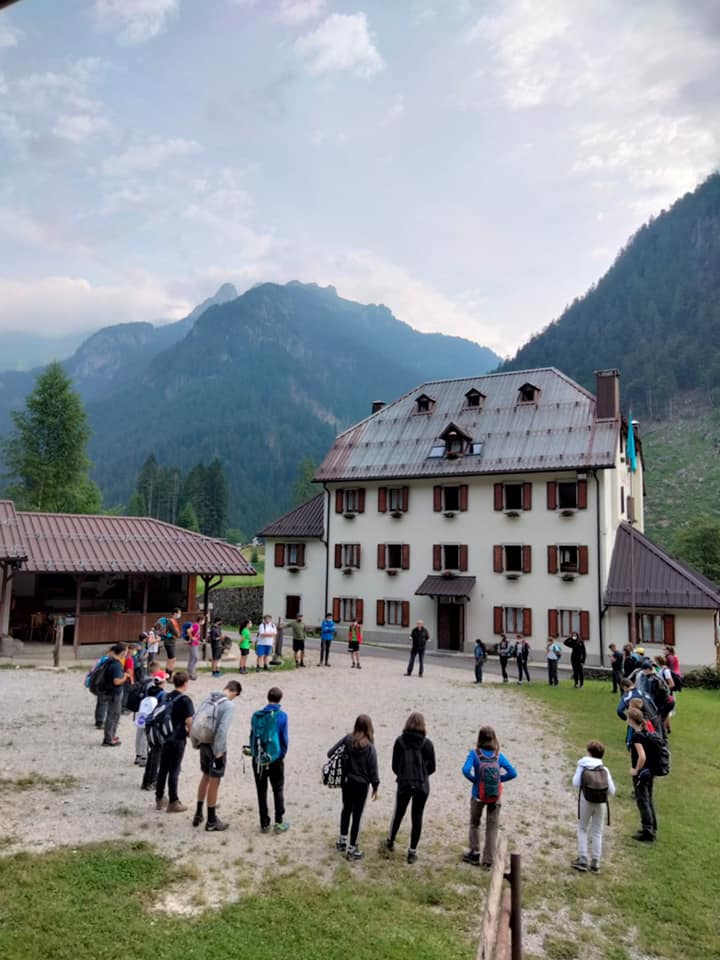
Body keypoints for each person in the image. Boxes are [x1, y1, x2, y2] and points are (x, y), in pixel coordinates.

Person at [462, 726, 517, 867]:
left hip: (478, 795)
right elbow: (513, 773)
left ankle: (474, 854)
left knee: (475, 823)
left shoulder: (474, 754)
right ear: (494, 738)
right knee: (492, 827)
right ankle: (488, 860)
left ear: (479, 738)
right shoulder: (498, 756)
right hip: (494, 796)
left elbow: (465, 770)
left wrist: (475, 780)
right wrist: (499, 779)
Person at [386, 712, 436, 864]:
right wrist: (423, 774)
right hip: (421, 784)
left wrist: (403, 773)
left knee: (399, 812)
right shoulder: (427, 744)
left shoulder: (400, 741)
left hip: (404, 782)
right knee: (417, 816)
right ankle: (412, 852)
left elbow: (394, 765)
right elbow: (432, 767)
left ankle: (390, 840)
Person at [328, 714, 379, 861]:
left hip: (347, 782)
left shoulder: (348, 739)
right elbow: (373, 769)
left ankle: (342, 841)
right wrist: (375, 786)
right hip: (362, 785)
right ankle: (352, 849)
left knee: (346, 810)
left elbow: (330, 753)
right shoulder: (370, 747)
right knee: (357, 815)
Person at [193, 679, 242, 832]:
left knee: (205, 776)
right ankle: (212, 821)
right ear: (235, 692)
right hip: (215, 747)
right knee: (215, 782)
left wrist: (195, 742)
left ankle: (198, 813)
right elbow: (222, 730)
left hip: (203, 742)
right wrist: (219, 752)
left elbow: (195, 718)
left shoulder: (209, 697)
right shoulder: (228, 705)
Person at [571, 740, 616, 873]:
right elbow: (612, 791)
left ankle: (583, 858)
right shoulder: (604, 769)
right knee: (597, 831)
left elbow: (575, 782)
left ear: (589, 753)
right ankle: (596, 861)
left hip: (586, 800)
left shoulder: (583, 766)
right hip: (601, 803)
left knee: (582, 828)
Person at [250, 687, 290, 834]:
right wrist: (281, 755)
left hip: (259, 758)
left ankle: (264, 823)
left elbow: (252, 736)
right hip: (274, 758)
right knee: (277, 789)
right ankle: (279, 822)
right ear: (280, 699)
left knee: (261, 791)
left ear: (267, 698)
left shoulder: (256, 716)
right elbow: (284, 739)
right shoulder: (282, 716)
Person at [155, 671, 194, 813]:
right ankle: (173, 801)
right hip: (178, 738)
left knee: (163, 768)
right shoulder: (185, 700)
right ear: (185, 683)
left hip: (165, 736)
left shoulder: (166, 696)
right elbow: (189, 720)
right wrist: (190, 733)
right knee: (174, 769)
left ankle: (159, 798)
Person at [627, 706, 659, 842]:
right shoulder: (647, 732)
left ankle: (647, 831)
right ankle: (652, 827)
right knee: (649, 799)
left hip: (642, 773)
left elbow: (642, 756)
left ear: (631, 720)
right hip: (650, 771)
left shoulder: (637, 736)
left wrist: (636, 770)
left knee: (642, 801)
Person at [98, 642, 132, 746]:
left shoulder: (110, 660)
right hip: (114, 693)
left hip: (109, 691)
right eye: (126, 651)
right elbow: (116, 681)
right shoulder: (116, 665)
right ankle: (108, 739)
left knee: (113, 714)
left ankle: (111, 735)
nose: (127, 653)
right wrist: (125, 677)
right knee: (113, 715)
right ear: (122, 652)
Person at [134, 669, 166, 767]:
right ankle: (144, 757)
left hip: (142, 713)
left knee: (139, 734)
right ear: (162, 682)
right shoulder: (162, 693)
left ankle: (138, 755)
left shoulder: (148, 689)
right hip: (151, 717)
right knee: (146, 736)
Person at [155, 609, 181, 681]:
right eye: (179, 613)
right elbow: (176, 633)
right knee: (172, 659)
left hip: (170, 642)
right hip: (169, 642)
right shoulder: (171, 621)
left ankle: (167, 675)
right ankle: (169, 676)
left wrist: (176, 635)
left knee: (171, 659)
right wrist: (176, 635)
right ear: (175, 613)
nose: (180, 615)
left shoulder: (172, 621)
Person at [185, 617, 202, 681]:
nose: (203, 622)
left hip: (195, 643)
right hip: (193, 644)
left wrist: (198, 641)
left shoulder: (198, 626)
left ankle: (190, 673)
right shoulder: (196, 625)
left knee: (192, 659)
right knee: (195, 658)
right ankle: (190, 674)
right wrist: (192, 638)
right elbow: (188, 631)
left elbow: (195, 635)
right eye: (203, 620)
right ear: (200, 620)